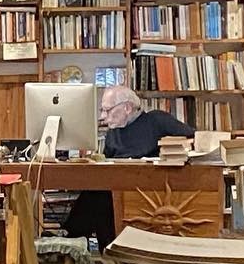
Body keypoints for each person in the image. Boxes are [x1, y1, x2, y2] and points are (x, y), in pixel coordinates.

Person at [62, 85, 193, 248]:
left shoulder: (157, 120)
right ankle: (96, 246)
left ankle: (72, 238)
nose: (103, 116)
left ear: (127, 107)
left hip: (151, 190)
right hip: (117, 190)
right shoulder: (113, 133)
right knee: (97, 193)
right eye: (102, 110)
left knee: (99, 198)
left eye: (107, 110)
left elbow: (192, 139)